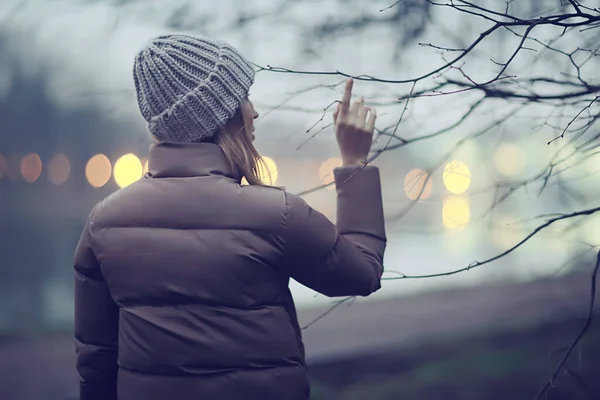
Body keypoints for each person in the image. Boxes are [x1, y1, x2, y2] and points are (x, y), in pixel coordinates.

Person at [73, 33, 386, 400]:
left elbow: (96, 361)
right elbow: (362, 272)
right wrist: (354, 163)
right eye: (243, 98)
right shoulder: (274, 214)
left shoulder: (104, 223)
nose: (254, 111)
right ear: (221, 116)